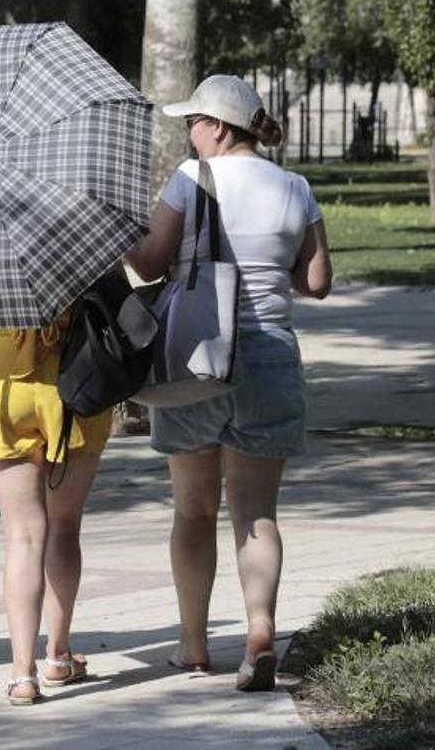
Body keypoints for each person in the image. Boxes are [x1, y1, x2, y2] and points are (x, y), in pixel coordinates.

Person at [126, 74, 332, 692]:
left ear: (217, 126)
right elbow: (317, 281)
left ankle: (192, 645)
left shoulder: (191, 181)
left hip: (197, 357)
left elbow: (149, 264)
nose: (187, 131)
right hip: (268, 358)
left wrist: (126, 241)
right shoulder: (296, 186)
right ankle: (260, 634)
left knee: (192, 509)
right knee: (256, 514)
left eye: (192, 121)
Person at [0, 318, 113, 706]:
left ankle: (22, 674)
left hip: (2, 381)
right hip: (76, 376)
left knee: (22, 536)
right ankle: (57, 656)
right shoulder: (86, 253)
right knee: (63, 529)